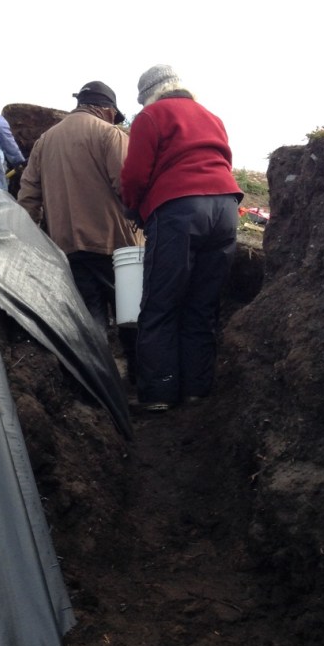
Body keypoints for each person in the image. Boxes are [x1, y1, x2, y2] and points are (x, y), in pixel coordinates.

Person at [120, 64, 243, 412]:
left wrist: (134, 209)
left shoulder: (151, 116)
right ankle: (196, 389)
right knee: (202, 305)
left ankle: (159, 393)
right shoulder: (211, 116)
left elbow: (135, 174)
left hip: (179, 211)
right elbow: (223, 161)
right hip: (225, 209)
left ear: (148, 96)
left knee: (161, 303)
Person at [17, 80, 141, 381]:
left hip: (67, 245)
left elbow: (28, 196)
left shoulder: (45, 140)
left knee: (89, 318)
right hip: (116, 246)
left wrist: (26, 239)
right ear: (106, 109)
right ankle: (139, 383)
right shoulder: (110, 135)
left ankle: (96, 387)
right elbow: (128, 188)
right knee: (133, 318)